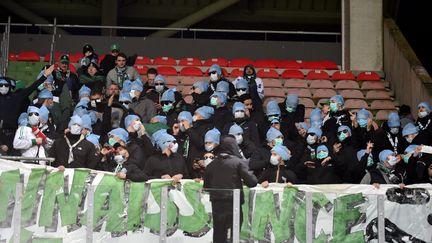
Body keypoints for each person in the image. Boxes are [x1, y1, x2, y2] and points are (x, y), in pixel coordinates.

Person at [204, 135, 257, 243]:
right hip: (233, 203)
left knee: (219, 232)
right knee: (234, 232)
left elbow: (206, 187)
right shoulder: (238, 162)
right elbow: (252, 182)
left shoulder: (211, 165)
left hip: (217, 204)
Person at [0, 65, 55, 155]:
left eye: (5, 85)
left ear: (9, 86)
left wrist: (44, 76)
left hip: (12, 134)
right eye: (1, 85)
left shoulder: (16, 97)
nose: (3, 87)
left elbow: (32, 87)